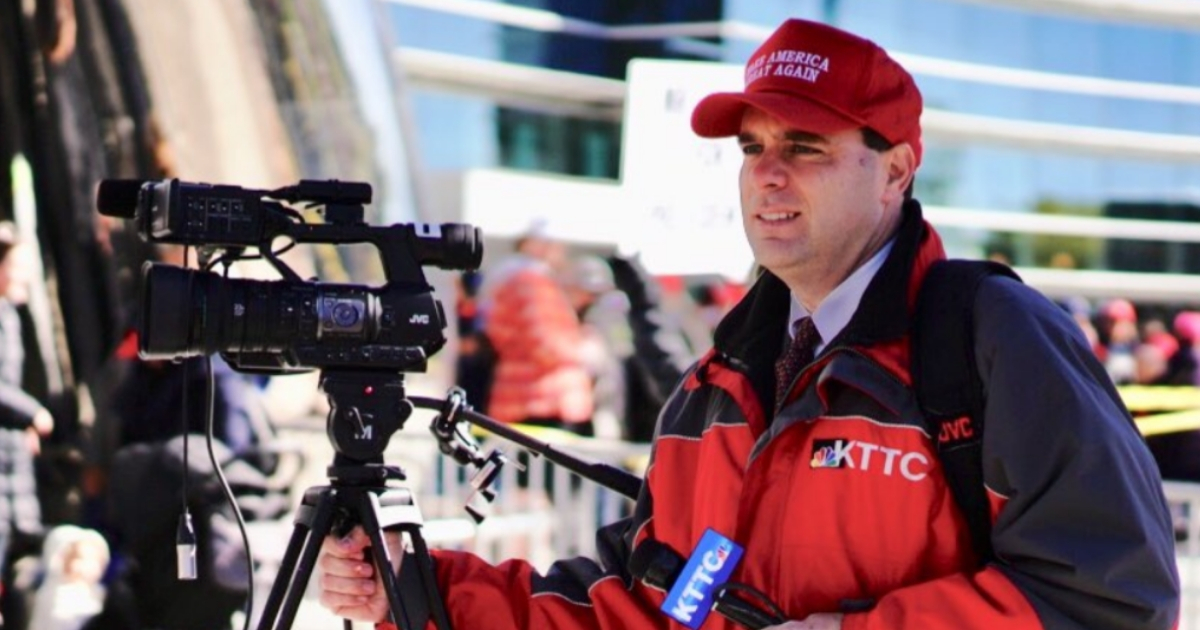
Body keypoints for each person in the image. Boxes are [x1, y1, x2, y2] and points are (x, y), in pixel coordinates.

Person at [316, 18, 1178, 630]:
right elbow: (656, 606)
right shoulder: (716, 385)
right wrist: (418, 589)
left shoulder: (991, 337)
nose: (768, 174)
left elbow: (1112, 599)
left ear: (895, 172)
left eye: (806, 147)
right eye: (752, 146)